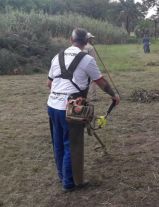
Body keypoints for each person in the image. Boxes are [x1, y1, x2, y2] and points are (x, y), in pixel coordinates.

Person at [47, 28, 120, 192]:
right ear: (86, 42)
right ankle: (69, 183)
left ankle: (62, 176)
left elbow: (49, 84)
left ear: (70, 39)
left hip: (52, 106)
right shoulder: (87, 59)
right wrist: (114, 96)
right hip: (72, 108)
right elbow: (100, 82)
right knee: (71, 145)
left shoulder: (56, 57)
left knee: (58, 143)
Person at [84, 32, 98, 101]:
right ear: (88, 39)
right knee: (93, 81)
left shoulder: (81, 46)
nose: (93, 40)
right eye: (91, 39)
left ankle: (84, 96)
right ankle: (93, 96)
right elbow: (93, 59)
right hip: (89, 66)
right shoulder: (91, 48)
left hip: (81, 67)